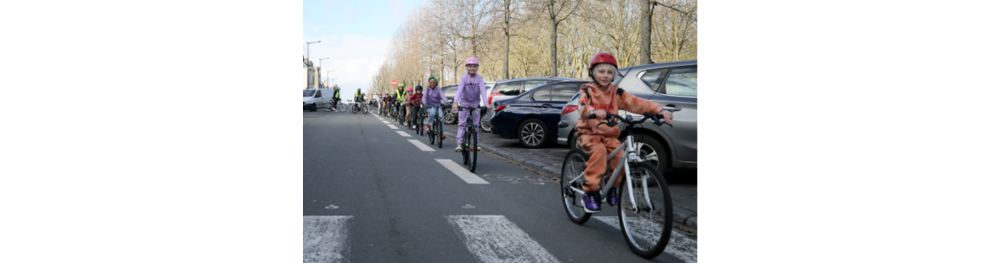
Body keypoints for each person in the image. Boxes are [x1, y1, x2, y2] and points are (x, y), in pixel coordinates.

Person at [574, 52, 673, 213]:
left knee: (620, 157)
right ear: (592, 72)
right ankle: (590, 191)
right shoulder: (587, 89)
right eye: (601, 71)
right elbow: (582, 105)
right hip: (588, 133)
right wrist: (592, 110)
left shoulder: (616, 92)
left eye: (609, 72)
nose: (605, 75)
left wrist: (659, 110)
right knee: (598, 153)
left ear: (614, 75)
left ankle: (612, 186)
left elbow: (636, 103)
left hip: (609, 135)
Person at [451, 57, 492, 152]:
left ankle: (476, 144)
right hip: (464, 104)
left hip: (475, 104)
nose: (472, 68)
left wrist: (486, 103)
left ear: (477, 67)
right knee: (462, 124)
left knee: (476, 125)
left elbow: (483, 91)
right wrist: (455, 102)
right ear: (467, 67)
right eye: (470, 66)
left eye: (474, 66)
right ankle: (459, 143)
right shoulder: (463, 78)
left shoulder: (479, 78)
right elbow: (459, 91)